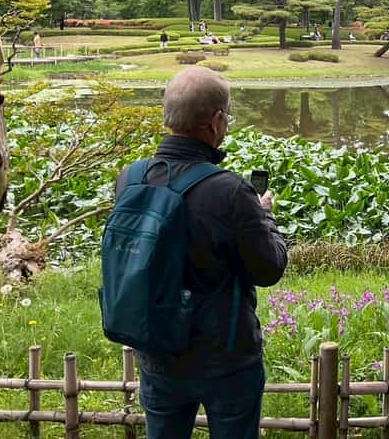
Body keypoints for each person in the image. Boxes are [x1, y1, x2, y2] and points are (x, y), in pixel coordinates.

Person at [114, 67, 288, 439]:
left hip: (157, 347)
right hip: (225, 358)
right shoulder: (228, 191)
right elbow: (269, 269)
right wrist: (265, 217)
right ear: (216, 120)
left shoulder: (131, 178)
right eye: (228, 115)